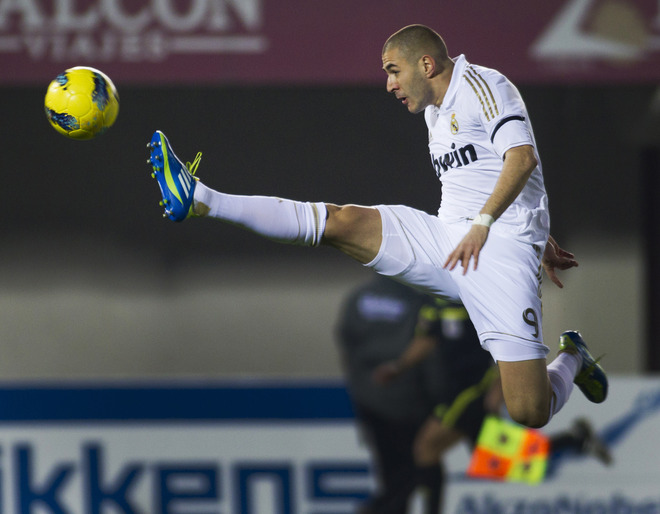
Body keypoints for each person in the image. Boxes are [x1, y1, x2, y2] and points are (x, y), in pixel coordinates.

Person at [146, 24, 607, 429]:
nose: (388, 84)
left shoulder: (485, 86)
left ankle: (573, 357)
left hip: (497, 252)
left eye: (393, 70)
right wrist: (538, 233)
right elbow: (485, 173)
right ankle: (203, 198)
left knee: (528, 412)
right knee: (342, 222)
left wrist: (506, 230)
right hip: (448, 239)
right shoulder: (433, 111)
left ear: (426, 64)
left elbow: (521, 157)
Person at [335, 275, 495, 513]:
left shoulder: (474, 298)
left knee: (426, 448)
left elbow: (503, 343)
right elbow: (426, 340)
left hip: (472, 389)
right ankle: (566, 442)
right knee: (494, 456)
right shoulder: (433, 304)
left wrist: (498, 388)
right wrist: (397, 367)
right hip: (452, 392)